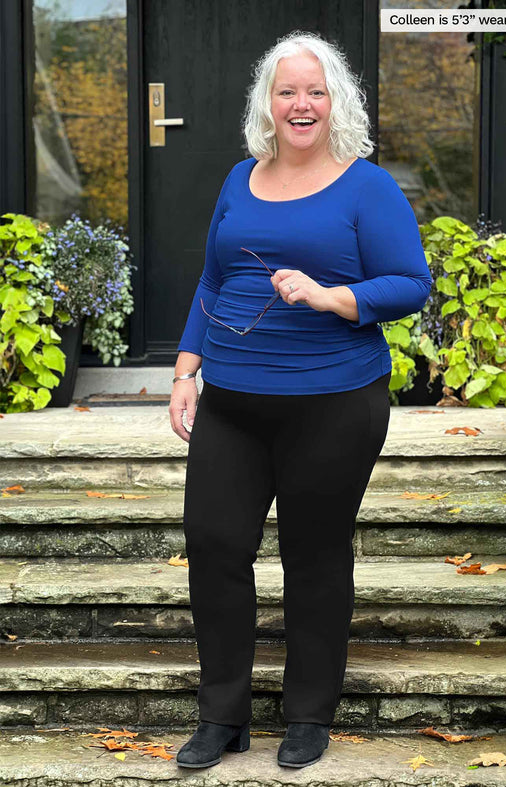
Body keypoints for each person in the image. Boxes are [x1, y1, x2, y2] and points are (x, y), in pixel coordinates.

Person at [169, 30, 432, 770]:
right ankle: (222, 715)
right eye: (288, 91)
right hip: (230, 399)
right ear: (269, 104)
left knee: (313, 556)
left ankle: (309, 714)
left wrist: (332, 295)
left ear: (335, 101)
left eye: (315, 91)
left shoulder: (366, 187)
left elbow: (410, 282)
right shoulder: (239, 178)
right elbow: (214, 280)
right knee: (215, 544)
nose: (301, 104)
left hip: (334, 401)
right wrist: (186, 366)